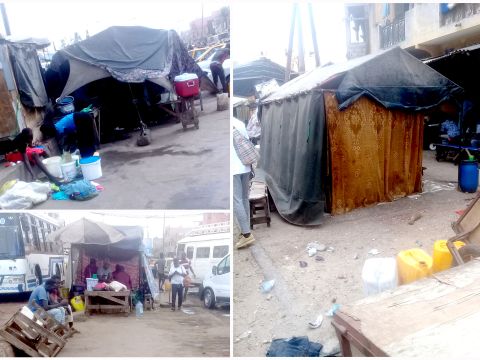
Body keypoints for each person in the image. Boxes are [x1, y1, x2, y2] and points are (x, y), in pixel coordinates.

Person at [232, 117, 255, 249]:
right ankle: (245, 230)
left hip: (233, 169)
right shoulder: (239, 123)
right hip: (245, 166)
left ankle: (246, 235)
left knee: (237, 201)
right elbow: (247, 143)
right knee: (244, 198)